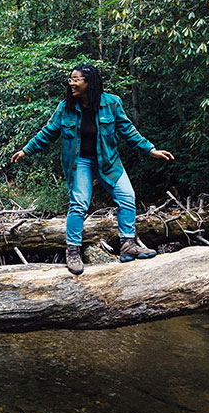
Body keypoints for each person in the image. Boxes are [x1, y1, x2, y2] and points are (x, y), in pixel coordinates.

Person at [11, 64, 174, 277]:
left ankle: (128, 245)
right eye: (70, 79)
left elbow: (128, 130)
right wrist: (26, 150)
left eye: (76, 79)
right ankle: (73, 251)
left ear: (89, 82)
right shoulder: (65, 107)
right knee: (79, 204)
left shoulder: (112, 103)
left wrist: (151, 150)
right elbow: (48, 132)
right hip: (80, 162)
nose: (71, 83)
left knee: (127, 197)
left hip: (108, 161)